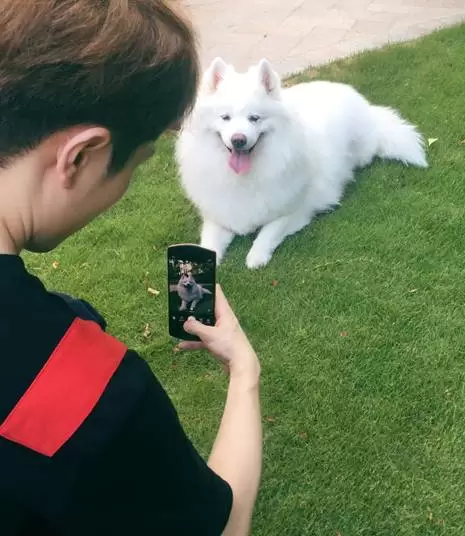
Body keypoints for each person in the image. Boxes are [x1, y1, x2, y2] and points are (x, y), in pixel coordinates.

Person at [0, 1, 262, 535]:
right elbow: (223, 526)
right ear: (80, 156)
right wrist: (244, 372)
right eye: (136, 165)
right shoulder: (80, 390)